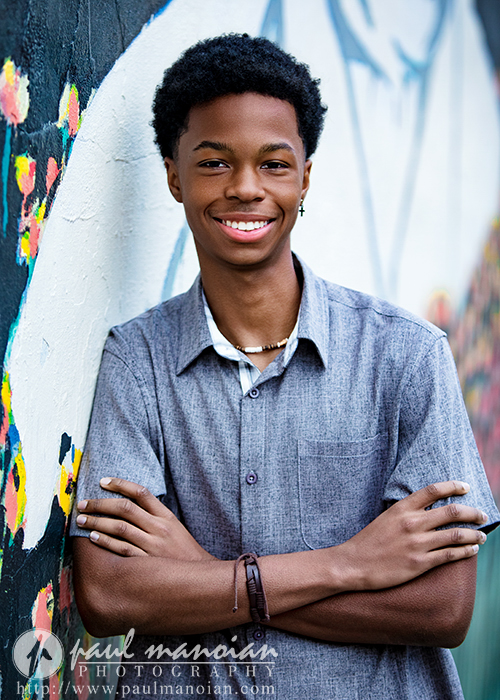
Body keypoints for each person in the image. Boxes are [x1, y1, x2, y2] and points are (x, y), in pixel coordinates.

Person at [71, 34, 500, 700]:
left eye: (273, 164)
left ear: (304, 177)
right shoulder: (137, 360)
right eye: (214, 163)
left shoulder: (407, 356)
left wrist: (205, 576)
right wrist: (350, 565)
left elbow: (442, 607)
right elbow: (108, 593)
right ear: (174, 175)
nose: (245, 188)